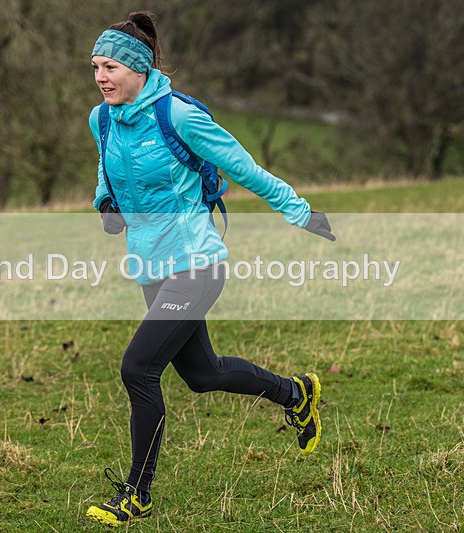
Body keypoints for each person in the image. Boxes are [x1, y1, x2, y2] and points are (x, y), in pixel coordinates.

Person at [85, 12, 336, 527]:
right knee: (204, 374)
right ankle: (297, 394)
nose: (100, 77)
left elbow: (243, 166)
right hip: (151, 267)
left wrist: (300, 210)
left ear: (138, 69)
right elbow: (104, 166)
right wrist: (105, 201)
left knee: (138, 369)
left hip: (196, 264)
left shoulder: (178, 116)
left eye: (110, 66)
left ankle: (137, 494)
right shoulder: (103, 118)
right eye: (94, 67)